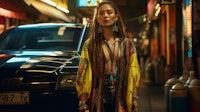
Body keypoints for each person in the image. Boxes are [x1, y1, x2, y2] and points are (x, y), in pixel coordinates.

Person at [76, 1, 140, 112]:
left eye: (109, 12)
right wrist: (83, 103)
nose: (105, 16)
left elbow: (133, 73)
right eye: (101, 13)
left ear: (115, 17)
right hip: (98, 96)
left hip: (121, 96)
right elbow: (83, 74)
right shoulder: (90, 45)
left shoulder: (128, 45)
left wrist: (134, 98)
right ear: (97, 18)